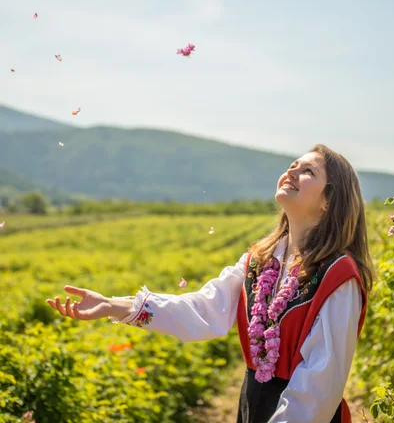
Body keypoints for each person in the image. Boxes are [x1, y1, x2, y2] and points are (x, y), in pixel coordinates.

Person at [47, 143, 376, 423]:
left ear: (329, 201)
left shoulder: (338, 276)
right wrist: (113, 305)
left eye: (307, 172)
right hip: (252, 404)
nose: (291, 172)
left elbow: (321, 384)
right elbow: (203, 310)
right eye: (292, 165)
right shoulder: (258, 262)